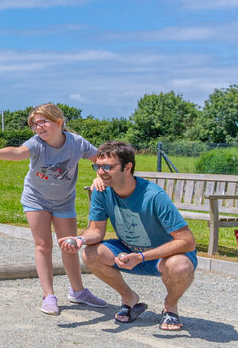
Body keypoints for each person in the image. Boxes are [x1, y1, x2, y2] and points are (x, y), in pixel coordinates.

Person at [0, 104, 106, 315]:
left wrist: (100, 174)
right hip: (36, 199)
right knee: (43, 245)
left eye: (43, 121)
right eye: (34, 124)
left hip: (64, 200)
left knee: (69, 246)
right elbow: (17, 153)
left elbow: (100, 158)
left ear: (59, 122)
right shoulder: (36, 144)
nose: (38, 127)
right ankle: (49, 296)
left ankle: (78, 292)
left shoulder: (77, 143)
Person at [59, 141, 197, 331]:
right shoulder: (102, 191)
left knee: (180, 266)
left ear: (128, 167)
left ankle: (170, 307)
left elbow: (187, 241)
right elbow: (96, 231)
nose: (100, 172)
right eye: (98, 167)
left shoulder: (154, 196)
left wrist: (141, 257)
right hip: (130, 253)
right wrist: (79, 239)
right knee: (90, 253)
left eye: (107, 167)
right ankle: (129, 299)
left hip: (162, 258)